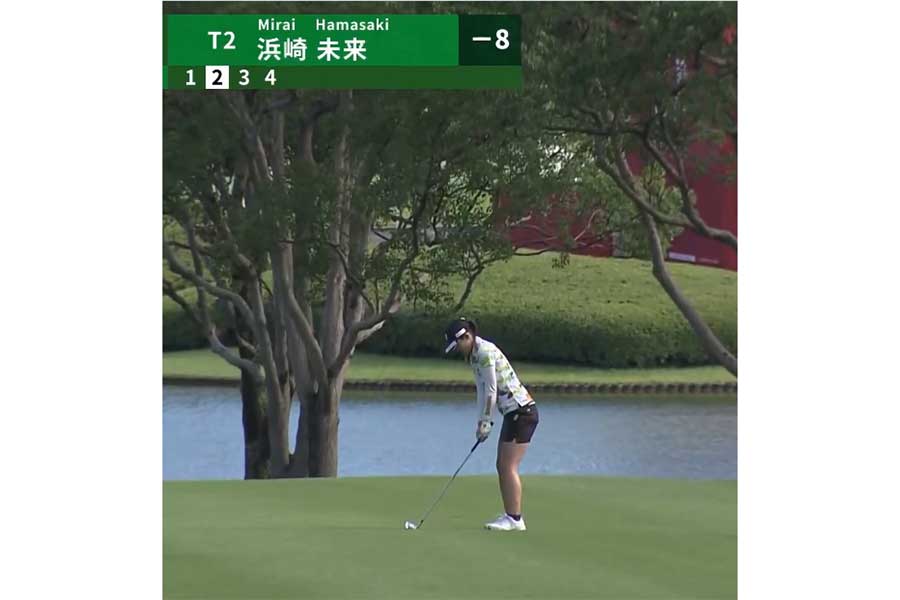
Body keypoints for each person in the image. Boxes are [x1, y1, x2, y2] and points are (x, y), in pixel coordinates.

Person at [444, 317, 539, 532]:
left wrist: (487, 421)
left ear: (467, 336)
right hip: (513, 413)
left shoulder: (485, 352)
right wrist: (481, 421)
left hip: (522, 411)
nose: (457, 350)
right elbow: (481, 390)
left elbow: (491, 389)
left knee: (507, 465)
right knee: (502, 465)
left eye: (457, 344)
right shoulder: (474, 356)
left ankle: (515, 519)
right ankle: (511, 515)